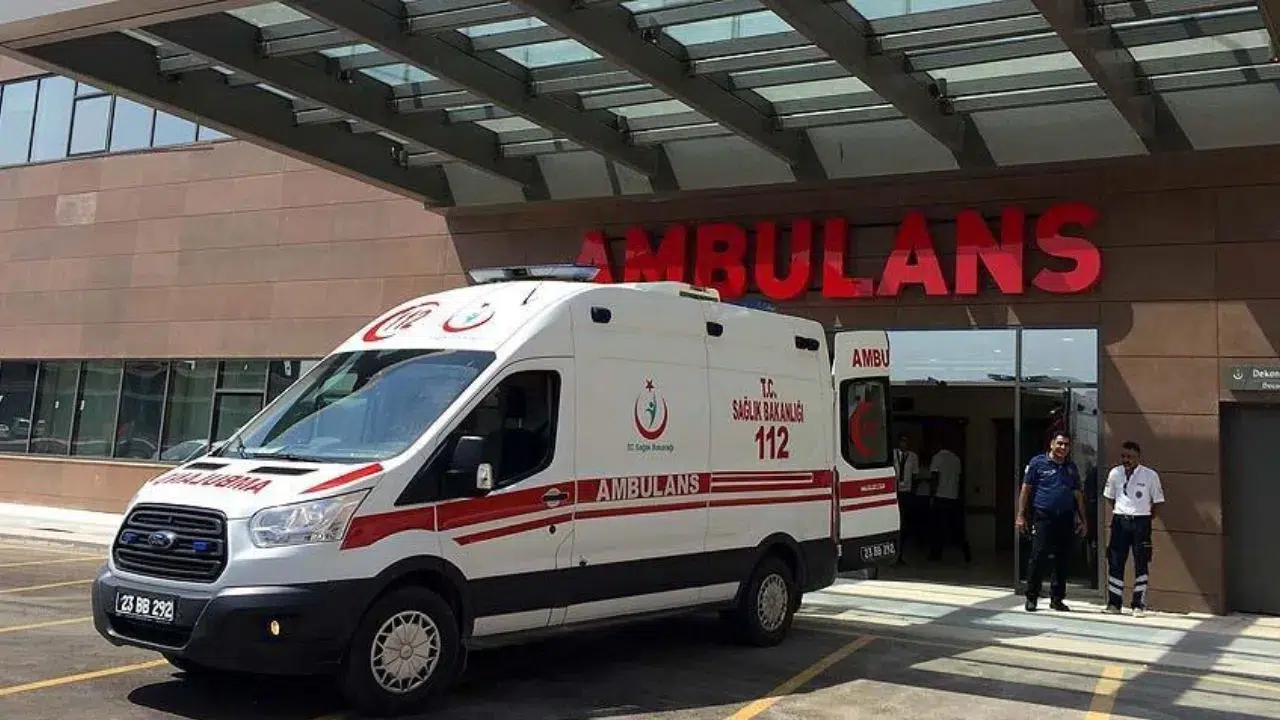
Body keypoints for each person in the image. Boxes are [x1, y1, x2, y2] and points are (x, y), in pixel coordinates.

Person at [1017, 432, 1088, 612]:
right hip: (1043, 516)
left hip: (1065, 517)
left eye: (1066, 445)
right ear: (1051, 444)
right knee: (1038, 555)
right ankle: (1032, 596)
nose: (1063, 447)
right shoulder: (1037, 463)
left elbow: (1077, 494)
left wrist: (1082, 519)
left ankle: (1057, 599)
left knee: (1062, 559)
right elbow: (1026, 489)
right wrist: (1020, 515)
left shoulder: (1071, 467)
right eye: (1060, 443)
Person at [1103, 440, 1163, 617]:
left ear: (1138, 457)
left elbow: (1157, 502)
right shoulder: (1115, 473)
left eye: (1130, 456)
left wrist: (1146, 516)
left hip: (1141, 522)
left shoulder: (1150, 475)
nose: (1126, 460)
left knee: (1141, 561)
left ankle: (1138, 604)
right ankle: (1114, 603)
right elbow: (1110, 497)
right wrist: (1122, 512)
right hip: (1120, 520)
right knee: (1115, 561)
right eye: (1123, 456)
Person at [927, 443, 971, 563]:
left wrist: (932, 494)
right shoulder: (956, 459)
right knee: (956, 526)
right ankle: (965, 550)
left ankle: (936, 553)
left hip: (940, 496)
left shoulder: (937, 458)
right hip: (953, 496)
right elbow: (960, 479)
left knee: (937, 527)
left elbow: (935, 477)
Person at [892, 434, 920, 564]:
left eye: (906, 442)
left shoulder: (913, 457)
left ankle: (901, 552)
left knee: (905, 521)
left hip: (907, 492)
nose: (903, 444)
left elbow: (915, 475)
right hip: (895, 491)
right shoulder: (893, 454)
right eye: (901, 441)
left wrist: (913, 493)